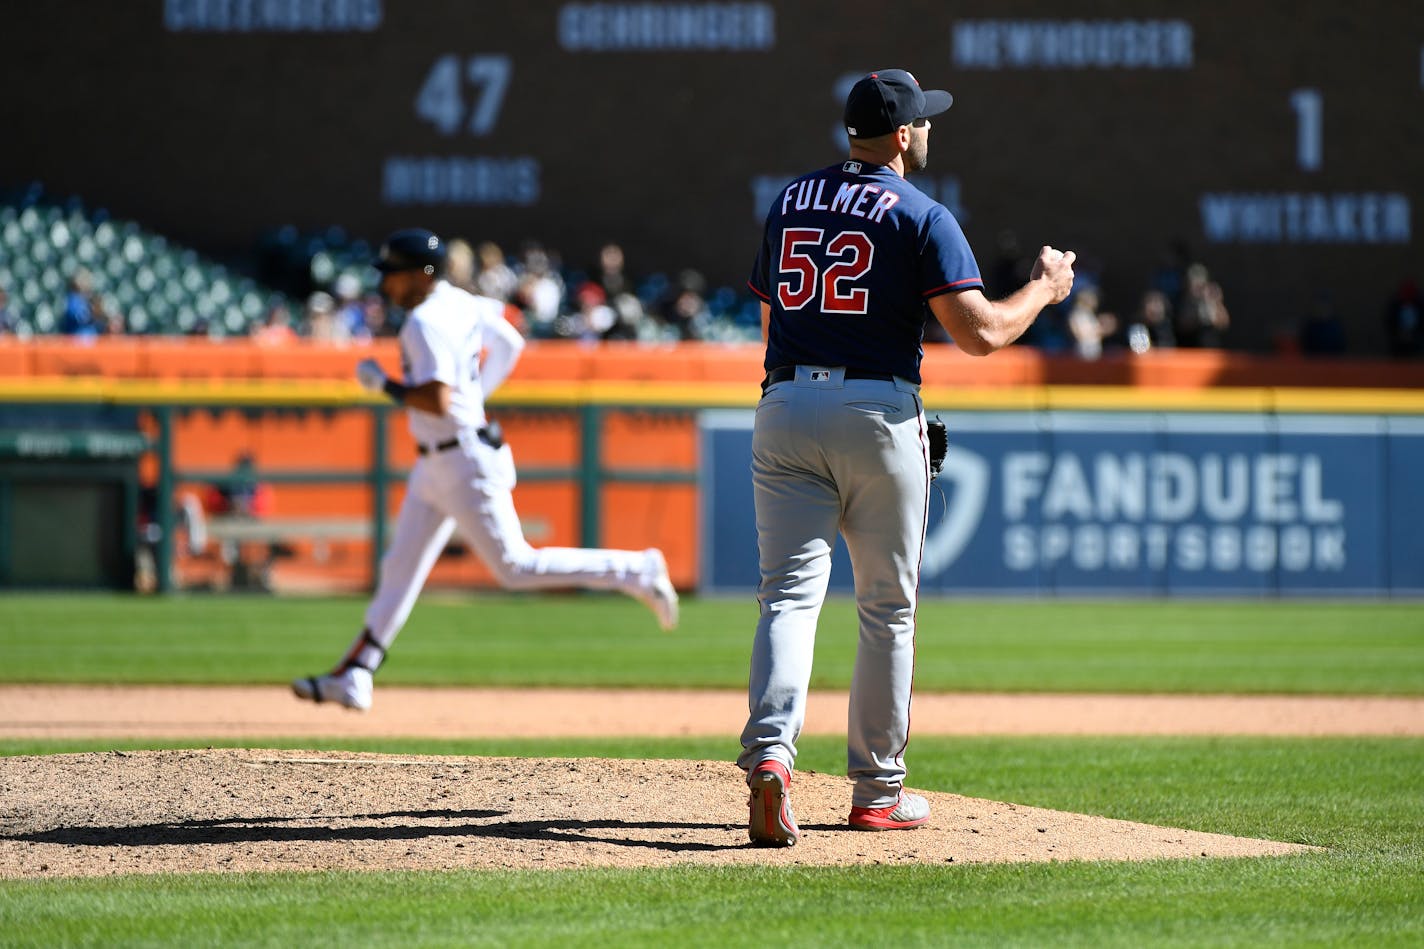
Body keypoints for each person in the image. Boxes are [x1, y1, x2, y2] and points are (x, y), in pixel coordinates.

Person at [739, 69, 1074, 846]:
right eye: (923, 121)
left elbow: (773, 312)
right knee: (886, 608)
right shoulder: (922, 212)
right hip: (876, 409)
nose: (929, 130)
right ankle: (877, 792)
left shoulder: (789, 201)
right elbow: (981, 333)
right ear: (900, 135)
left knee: (787, 597)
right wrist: (1045, 290)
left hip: (784, 399)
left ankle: (771, 761)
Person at [292, 229, 678, 711]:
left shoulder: (423, 322)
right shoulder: (460, 300)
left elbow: (433, 398)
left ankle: (637, 569)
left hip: (461, 460)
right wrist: (476, 398)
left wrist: (384, 385)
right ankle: (357, 673)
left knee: (516, 566)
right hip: (443, 458)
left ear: (421, 273)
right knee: (400, 568)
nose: (386, 283)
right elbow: (511, 342)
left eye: (394, 272)